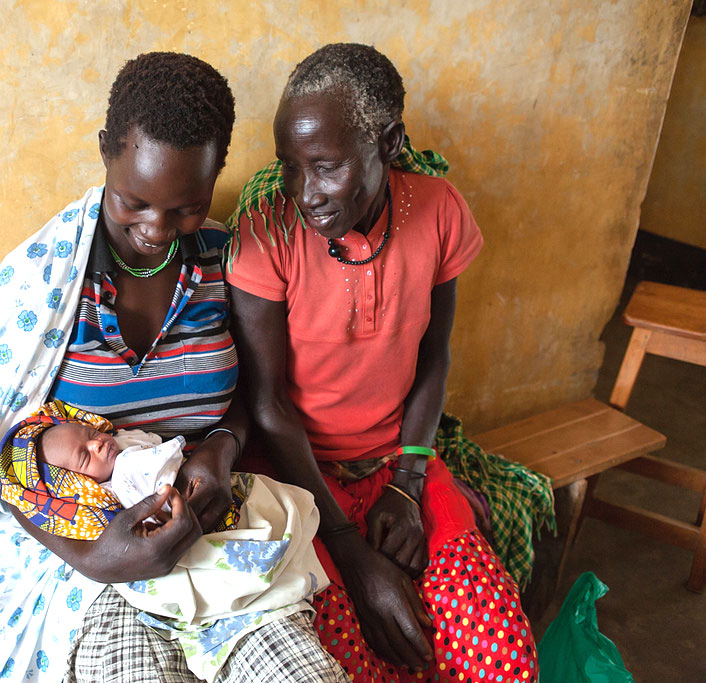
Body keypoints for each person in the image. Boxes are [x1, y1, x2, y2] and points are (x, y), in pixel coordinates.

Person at [0, 51, 346, 682]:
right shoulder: (38, 284)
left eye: (187, 206)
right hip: (91, 556)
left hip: (219, 537)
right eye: (135, 200)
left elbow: (251, 388)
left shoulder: (226, 261)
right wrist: (95, 557)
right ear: (107, 152)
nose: (158, 229)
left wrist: (221, 444)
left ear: (216, 174)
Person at [226, 44, 541, 682]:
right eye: (291, 167)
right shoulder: (269, 233)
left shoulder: (438, 210)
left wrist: (409, 481)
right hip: (295, 480)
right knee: (353, 655)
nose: (305, 192)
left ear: (389, 142)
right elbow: (267, 406)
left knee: (501, 653)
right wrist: (347, 544)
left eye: (326, 167)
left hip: (400, 463)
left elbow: (435, 357)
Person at [0, 399, 329, 682]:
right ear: (71, 488)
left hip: (215, 497)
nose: (97, 443)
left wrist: (218, 448)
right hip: (111, 570)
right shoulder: (88, 503)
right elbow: (14, 490)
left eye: (92, 433)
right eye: (84, 456)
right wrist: (91, 558)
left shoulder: (126, 457)